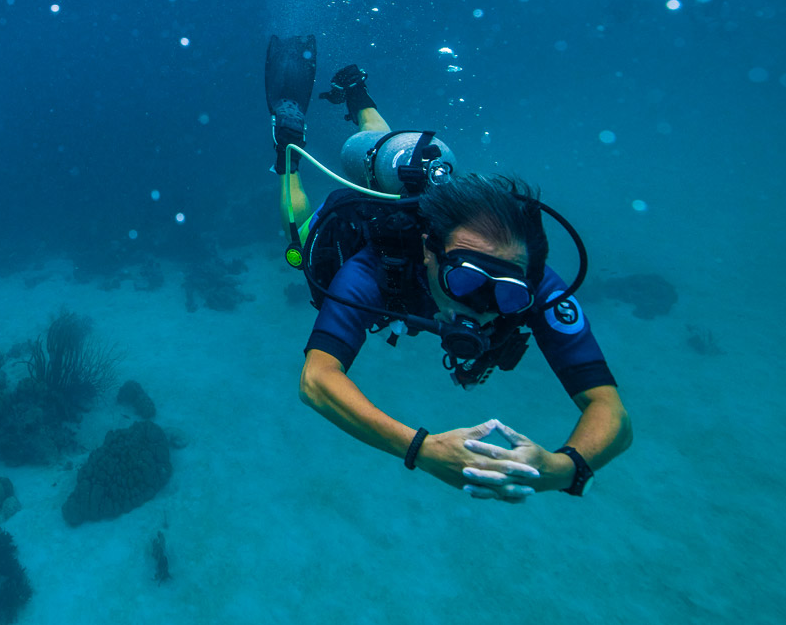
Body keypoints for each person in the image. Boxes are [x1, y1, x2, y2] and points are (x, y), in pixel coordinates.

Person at [265, 36, 632, 501]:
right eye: (464, 279)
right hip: (366, 227)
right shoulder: (375, 267)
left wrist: (562, 469)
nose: (480, 306)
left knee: (390, 153)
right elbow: (316, 380)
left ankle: (357, 93)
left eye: (507, 296)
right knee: (300, 236)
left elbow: (611, 411)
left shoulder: (530, 280)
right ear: (427, 250)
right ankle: (288, 149)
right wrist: (424, 449)